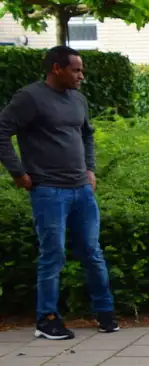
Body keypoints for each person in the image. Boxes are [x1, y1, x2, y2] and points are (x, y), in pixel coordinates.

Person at [0, 45, 118, 341]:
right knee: (53, 256)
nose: (82, 76)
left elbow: (87, 134)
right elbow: (1, 130)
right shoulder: (30, 98)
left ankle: (105, 314)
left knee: (93, 253)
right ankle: (47, 319)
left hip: (82, 190)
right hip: (49, 191)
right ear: (57, 68)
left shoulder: (78, 98)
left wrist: (90, 169)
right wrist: (18, 173)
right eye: (76, 70)